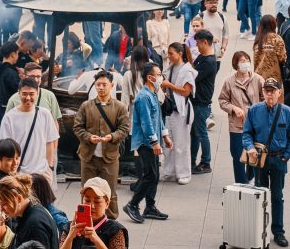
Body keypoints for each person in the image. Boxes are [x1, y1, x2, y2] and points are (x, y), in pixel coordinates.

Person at [241, 78, 290, 248]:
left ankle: (278, 232)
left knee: (277, 196)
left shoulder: (287, 112)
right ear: (262, 93)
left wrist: (286, 157)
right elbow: (246, 134)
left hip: (279, 159)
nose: (270, 94)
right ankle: (259, 230)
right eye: (267, 91)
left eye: (273, 91)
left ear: (279, 93)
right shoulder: (254, 110)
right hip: (260, 160)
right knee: (260, 195)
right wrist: (250, 147)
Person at [73, 70, 130, 219]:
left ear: (112, 85)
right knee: (86, 191)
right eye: (98, 84)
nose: (101, 87)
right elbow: (77, 127)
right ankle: (85, 221)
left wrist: (112, 136)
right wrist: (88, 137)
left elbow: (124, 128)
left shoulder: (120, 107)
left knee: (110, 191)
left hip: (110, 156)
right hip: (88, 156)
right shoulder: (86, 106)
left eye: (104, 84)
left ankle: (110, 221)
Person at [123, 62, 172, 224]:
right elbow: (146, 123)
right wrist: (155, 142)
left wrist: (164, 135)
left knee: (154, 175)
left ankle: (149, 206)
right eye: (159, 75)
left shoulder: (153, 94)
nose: (161, 77)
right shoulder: (143, 97)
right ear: (150, 78)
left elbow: (157, 118)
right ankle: (133, 204)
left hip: (153, 140)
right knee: (150, 175)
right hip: (146, 143)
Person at [0, 78, 59, 180]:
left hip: (42, 173)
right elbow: (5, 147)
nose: (28, 97)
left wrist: (50, 167)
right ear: (19, 93)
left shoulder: (45, 114)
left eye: (31, 94)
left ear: (37, 93)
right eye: (24, 94)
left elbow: (50, 142)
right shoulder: (9, 117)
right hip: (19, 174)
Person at [219, 51, 265, 183]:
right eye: (242, 61)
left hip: (255, 125)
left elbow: (265, 99)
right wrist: (233, 108)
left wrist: (257, 111)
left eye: (247, 60)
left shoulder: (258, 79)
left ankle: (251, 178)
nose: (245, 63)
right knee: (238, 156)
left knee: (254, 153)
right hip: (237, 126)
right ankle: (240, 184)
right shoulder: (229, 82)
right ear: (236, 64)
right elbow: (222, 101)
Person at [0, 175, 59, 249]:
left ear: (19, 198)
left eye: (4, 204)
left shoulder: (34, 224)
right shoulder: (33, 211)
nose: (1, 209)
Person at [160, 42, 197, 184]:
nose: (169, 56)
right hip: (169, 109)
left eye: (171, 54)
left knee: (181, 142)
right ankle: (169, 171)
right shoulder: (170, 68)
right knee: (168, 141)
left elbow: (186, 91)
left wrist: (169, 85)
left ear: (180, 53)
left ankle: (183, 173)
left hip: (181, 110)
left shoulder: (187, 70)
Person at [190, 30, 218, 175]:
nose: (197, 45)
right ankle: (191, 160)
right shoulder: (202, 57)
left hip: (201, 103)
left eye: (198, 42)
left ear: (205, 42)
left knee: (201, 134)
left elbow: (193, 76)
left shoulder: (209, 62)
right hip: (196, 102)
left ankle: (206, 162)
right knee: (195, 134)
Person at [253, 15, 287, 99]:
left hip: (260, 76)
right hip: (274, 75)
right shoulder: (277, 39)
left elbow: (255, 60)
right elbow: (282, 57)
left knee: (263, 100)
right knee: (275, 100)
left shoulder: (258, 40)